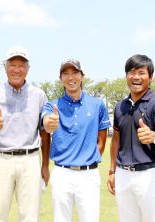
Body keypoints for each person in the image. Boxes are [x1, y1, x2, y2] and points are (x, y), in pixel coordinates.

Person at [0, 46, 50, 222]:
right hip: (1, 158)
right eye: (12, 64)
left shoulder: (39, 95)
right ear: (5, 67)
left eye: (22, 65)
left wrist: (45, 165)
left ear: (28, 68)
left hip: (30, 159)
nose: (17, 69)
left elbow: (44, 133)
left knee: (30, 215)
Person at [42, 59, 111, 222]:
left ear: (82, 76)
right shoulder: (52, 105)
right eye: (65, 73)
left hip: (89, 174)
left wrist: (87, 158)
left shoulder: (97, 105)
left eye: (74, 72)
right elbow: (46, 123)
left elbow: (101, 141)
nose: (70, 77)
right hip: (62, 173)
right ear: (60, 79)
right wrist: (49, 123)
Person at [107, 54, 155, 222]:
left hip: (149, 174)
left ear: (150, 77)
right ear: (126, 76)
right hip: (122, 174)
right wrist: (112, 171)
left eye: (141, 72)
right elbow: (116, 139)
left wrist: (153, 136)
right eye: (131, 72)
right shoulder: (120, 106)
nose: (136, 77)